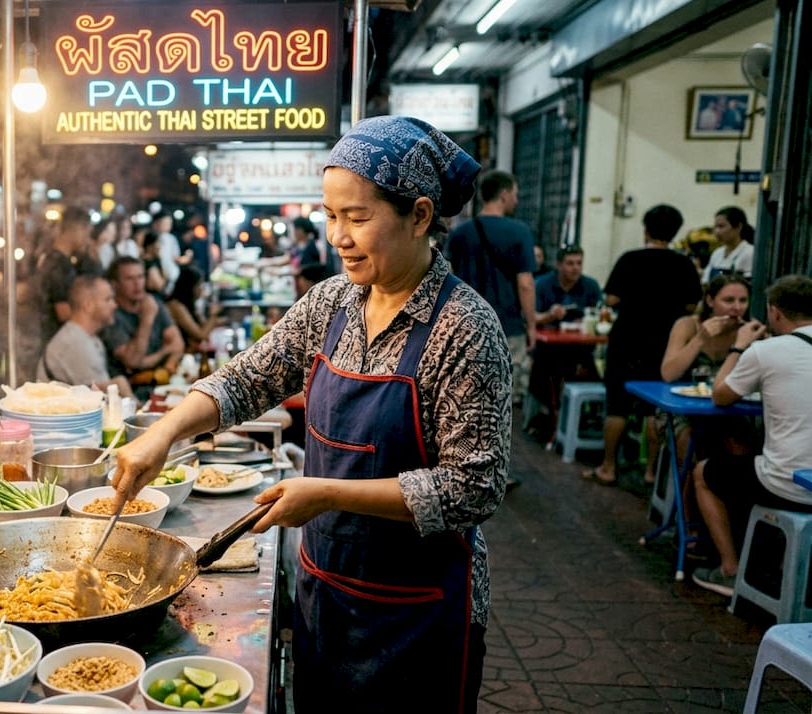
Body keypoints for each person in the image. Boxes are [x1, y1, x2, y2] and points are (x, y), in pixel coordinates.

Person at [110, 116, 507, 713]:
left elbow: (475, 487)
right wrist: (162, 433)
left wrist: (327, 493)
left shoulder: (466, 330)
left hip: (420, 611)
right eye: (330, 216)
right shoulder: (332, 302)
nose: (338, 237)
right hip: (329, 591)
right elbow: (247, 377)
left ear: (420, 216)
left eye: (357, 217)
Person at [688, 274, 812, 597]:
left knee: (704, 474)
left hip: (787, 485)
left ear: (774, 313)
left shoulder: (767, 350)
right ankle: (783, 567)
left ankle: (729, 570)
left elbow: (720, 395)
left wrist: (738, 347)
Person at [583, 204, 701, 486]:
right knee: (653, 407)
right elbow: (692, 304)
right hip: (665, 342)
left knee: (617, 406)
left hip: (627, 338)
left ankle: (609, 468)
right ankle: (650, 472)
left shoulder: (630, 259)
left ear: (646, 228)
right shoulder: (683, 264)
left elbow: (611, 299)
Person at [445, 169, 537, 406]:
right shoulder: (520, 232)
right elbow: (525, 284)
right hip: (508, 325)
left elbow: (449, 276)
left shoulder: (459, 234)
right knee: (506, 397)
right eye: (515, 194)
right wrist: (532, 325)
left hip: (466, 325)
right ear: (504, 194)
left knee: (468, 394)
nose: (517, 200)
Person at [659, 273, 758, 471]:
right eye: (729, 300)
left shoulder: (749, 332)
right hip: (683, 409)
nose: (737, 307)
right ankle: (687, 499)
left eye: (743, 300)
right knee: (689, 446)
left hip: (729, 410)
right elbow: (668, 374)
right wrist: (700, 339)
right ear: (710, 300)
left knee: (741, 450)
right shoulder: (687, 325)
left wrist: (751, 344)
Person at [528, 247, 604, 435]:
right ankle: (550, 418)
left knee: (593, 374)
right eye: (570, 263)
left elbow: (601, 314)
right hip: (549, 351)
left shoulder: (591, 286)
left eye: (579, 263)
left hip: (581, 349)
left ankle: (582, 419)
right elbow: (531, 318)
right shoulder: (542, 285)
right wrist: (549, 316)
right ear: (559, 265)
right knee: (549, 369)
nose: (575, 268)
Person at [100, 255, 184, 401]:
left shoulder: (153, 302)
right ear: (115, 285)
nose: (137, 284)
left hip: (162, 386)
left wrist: (165, 370)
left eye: (140, 277)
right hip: (131, 395)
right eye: (129, 279)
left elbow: (177, 344)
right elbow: (133, 361)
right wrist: (147, 318)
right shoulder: (112, 315)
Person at [36, 273, 133, 397]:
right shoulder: (74, 344)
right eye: (108, 299)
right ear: (88, 305)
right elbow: (97, 400)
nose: (114, 305)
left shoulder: (87, 338)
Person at [35, 206, 96, 341]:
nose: (88, 240)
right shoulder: (59, 265)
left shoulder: (57, 260)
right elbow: (63, 312)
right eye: (87, 233)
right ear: (78, 229)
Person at [165, 265, 224, 349]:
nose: (201, 289)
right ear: (189, 287)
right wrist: (213, 315)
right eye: (199, 285)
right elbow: (201, 335)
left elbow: (204, 326)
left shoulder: (190, 304)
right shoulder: (176, 306)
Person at [701, 206, 754, 283]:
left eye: (721, 226)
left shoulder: (750, 253)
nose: (716, 232)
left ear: (738, 227)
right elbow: (705, 281)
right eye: (715, 227)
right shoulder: (717, 253)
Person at [150, 212, 183, 295]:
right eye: (165, 223)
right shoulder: (150, 237)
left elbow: (176, 257)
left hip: (171, 276)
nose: (168, 226)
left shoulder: (171, 239)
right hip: (156, 275)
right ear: (155, 224)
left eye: (169, 223)